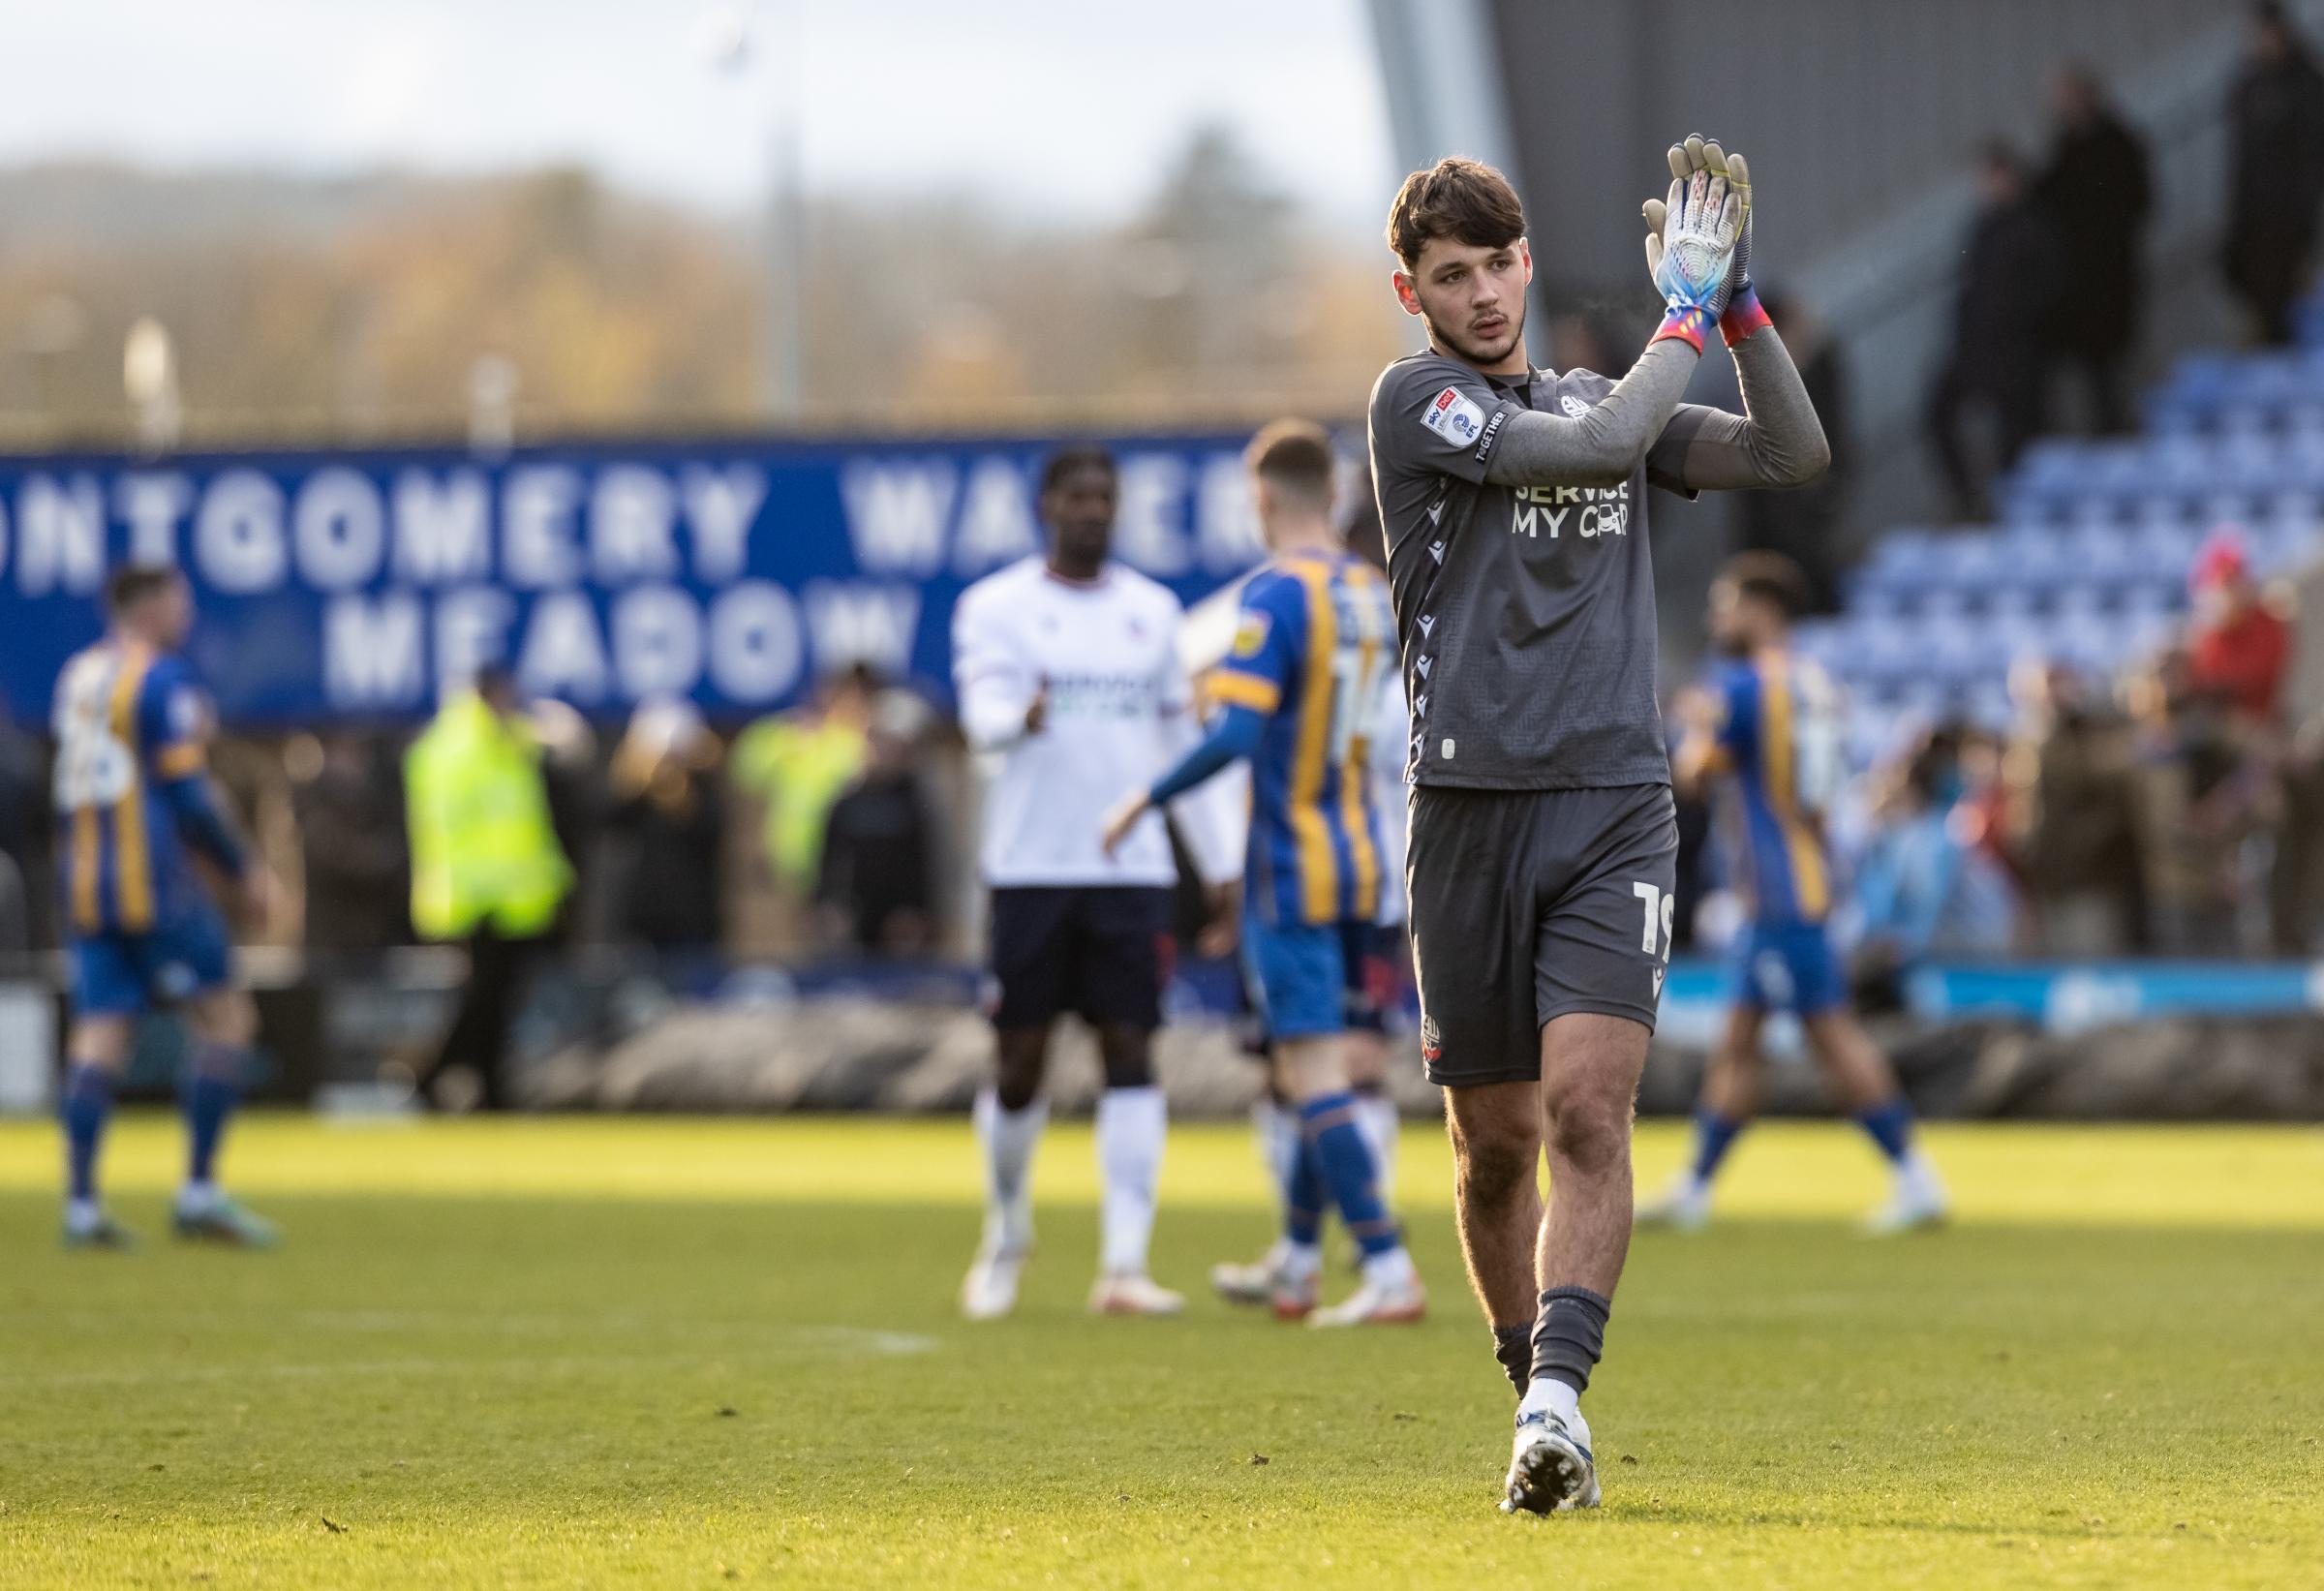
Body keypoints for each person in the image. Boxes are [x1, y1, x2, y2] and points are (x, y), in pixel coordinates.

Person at [1367, 142, 1827, 1514]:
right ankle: (1534, 1395)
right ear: (1414, 292)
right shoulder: (1417, 402)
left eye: (1499, 264)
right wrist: (1678, 320)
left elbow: (1791, 453)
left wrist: (1736, 309)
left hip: (1616, 808)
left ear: (1523, 261)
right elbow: (1606, 443)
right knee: (1492, 1142)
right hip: (1465, 816)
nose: (1485, 293)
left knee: (1585, 1107)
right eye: (1451, 276)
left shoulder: (1593, 390)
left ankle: (1562, 1397)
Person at [1101, 419, 1424, 1328]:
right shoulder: (1368, 590)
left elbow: (1238, 734)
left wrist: (1145, 799)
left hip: (1290, 864)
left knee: (1309, 1071)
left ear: (1262, 500)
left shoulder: (1275, 596)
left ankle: (1387, 1263)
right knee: (1315, 1071)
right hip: (1366, 862)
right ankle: (1293, 1259)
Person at [950, 444, 1238, 1320]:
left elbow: (1174, 749)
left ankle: (1123, 1264)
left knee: (1131, 1050)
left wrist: (1216, 859)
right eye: (1076, 495)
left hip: (1131, 869)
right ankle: (1005, 1232)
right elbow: (979, 719)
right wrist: (1016, 717)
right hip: (1032, 867)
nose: (1091, 510)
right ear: (1045, 505)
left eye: (1104, 497)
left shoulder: (1153, 615)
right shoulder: (995, 607)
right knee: (1019, 1060)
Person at [1639, 554, 1949, 1235]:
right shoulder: (1818, 684)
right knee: (1740, 1041)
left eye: (1729, 603)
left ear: (1763, 609)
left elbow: (1694, 773)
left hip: (1780, 893)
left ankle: (1915, 1176)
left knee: (1831, 1036)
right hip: (1801, 880)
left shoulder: (1747, 689)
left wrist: (1694, 723)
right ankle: (1695, 1185)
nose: (1718, 617)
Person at [50, 565, 279, 1248]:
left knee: (100, 1033)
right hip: (154, 879)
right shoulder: (162, 677)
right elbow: (186, 792)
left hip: (87, 878)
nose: (186, 613)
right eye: (178, 601)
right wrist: (244, 871)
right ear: (150, 607)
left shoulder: (79, 675)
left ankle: (83, 1207)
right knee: (229, 1016)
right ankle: (199, 1191)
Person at [404, 665, 574, 1111]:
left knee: (496, 1001)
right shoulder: (460, 747)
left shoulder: (501, 742)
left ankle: (486, 1087)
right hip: (477, 898)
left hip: (511, 898)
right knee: (480, 1000)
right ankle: (436, 1079)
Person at [1926, 142, 2065, 521]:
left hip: (2015, 355)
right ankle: (1969, 497)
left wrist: (2018, 329)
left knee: (2018, 438)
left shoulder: (2034, 227)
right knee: (1937, 414)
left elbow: (2047, 291)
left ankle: (2014, 512)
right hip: (1975, 350)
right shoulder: (1981, 227)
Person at [2033, 67, 2152, 434]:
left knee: (2109, 371)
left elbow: (2137, 203)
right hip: (2077, 287)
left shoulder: (2117, 144)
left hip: (2108, 279)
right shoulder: (2064, 145)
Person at [2223, 3, 2324, 346]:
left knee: (2292, 312)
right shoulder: (2249, 86)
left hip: (2291, 220)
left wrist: (2303, 219)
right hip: (2255, 220)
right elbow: (2241, 163)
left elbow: (2311, 156)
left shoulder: (2305, 83)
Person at [815, 690, 938, 954]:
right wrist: (829, 904)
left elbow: (924, 863)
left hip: (900, 925)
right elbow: (830, 857)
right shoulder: (848, 798)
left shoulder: (916, 800)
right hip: (854, 921)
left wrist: (914, 912)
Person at [606, 700, 726, 956]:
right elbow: (610, 820)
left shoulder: (704, 789)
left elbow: (706, 828)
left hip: (694, 914)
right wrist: (634, 776)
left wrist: (680, 786)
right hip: (645, 913)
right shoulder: (638, 798)